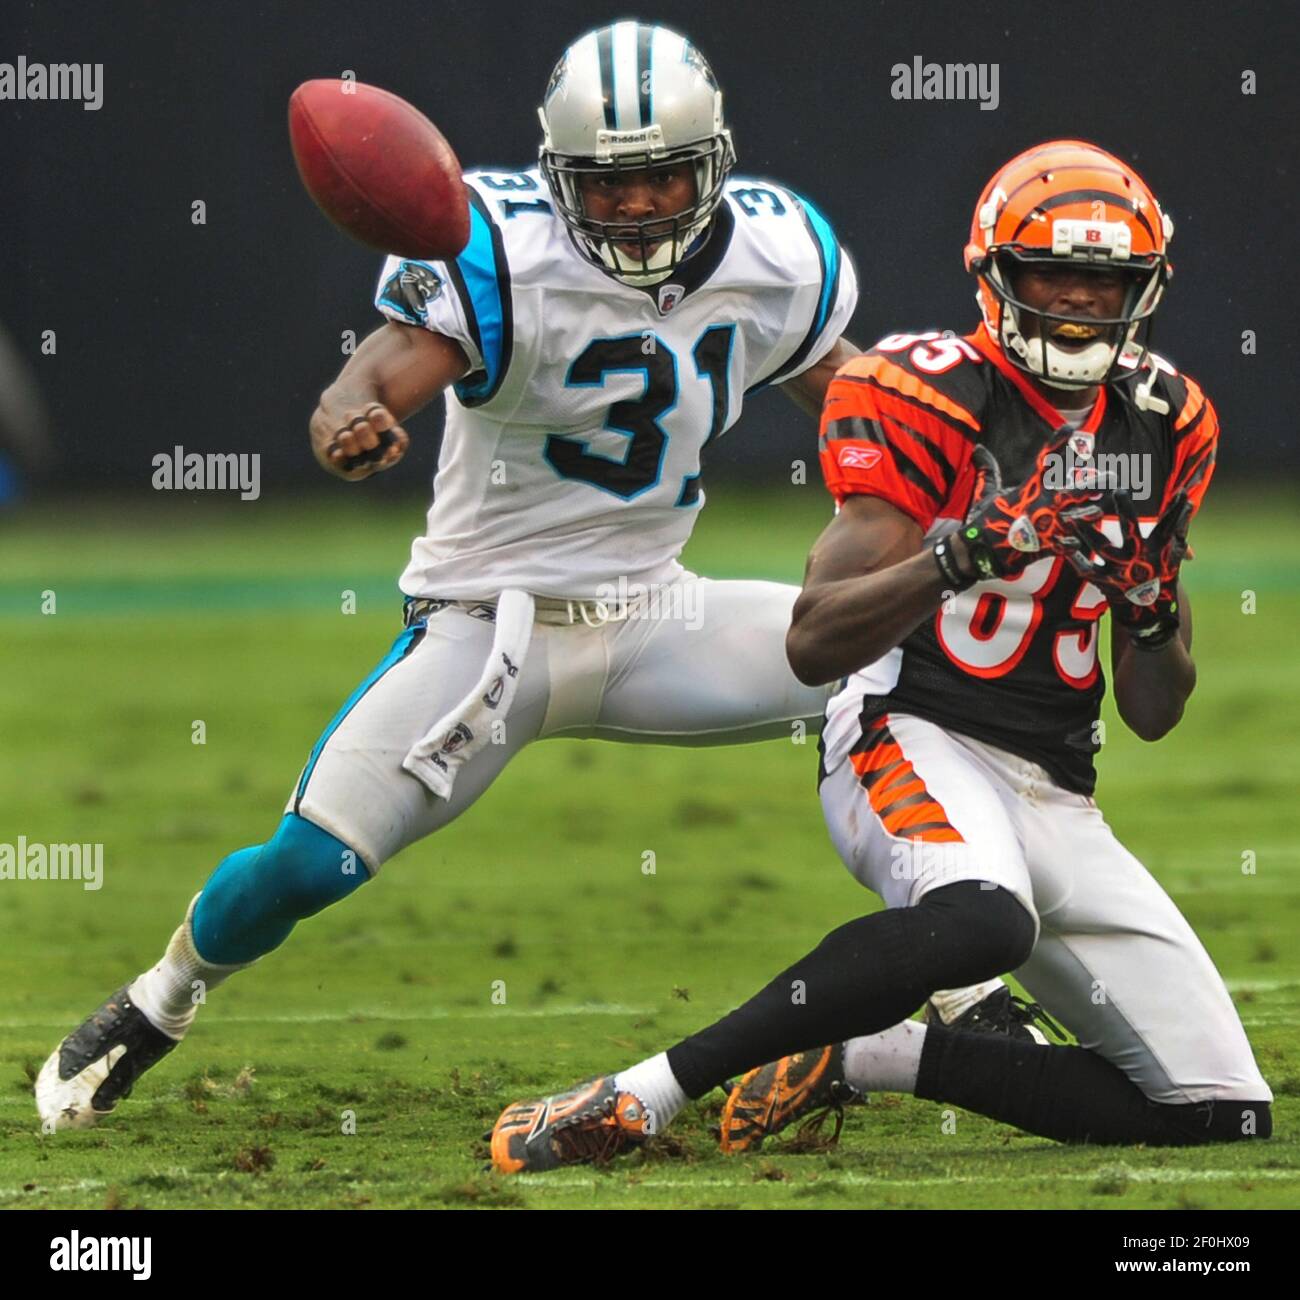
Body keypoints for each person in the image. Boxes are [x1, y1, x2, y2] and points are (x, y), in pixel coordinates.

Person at [36, 20, 892, 1131]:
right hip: (488, 631)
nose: (636, 207)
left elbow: (857, 401)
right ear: (557, 177)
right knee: (307, 866)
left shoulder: (779, 254)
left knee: (914, 672)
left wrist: (944, 459)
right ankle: (159, 1000)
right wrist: (349, 416)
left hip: (660, 614)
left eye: (662, 178)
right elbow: (378, 373)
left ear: (714, 163)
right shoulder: (496, 244)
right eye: (606, 184)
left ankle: (964, 983)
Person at [489, 140, 1272, 1173]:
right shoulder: (921, 391)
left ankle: (866, 1054)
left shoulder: (1168, 423)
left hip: (1056, 785)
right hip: (909, 727)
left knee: (1218, 1111)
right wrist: (960, 555)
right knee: (985, 918)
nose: (1079, 304)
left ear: (1146, 290)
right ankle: (643, 1092)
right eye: (1052, 274)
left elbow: (1155, 707)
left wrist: (1150, 608)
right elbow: (814, 642)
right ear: (995, 276)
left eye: (1105, 280)